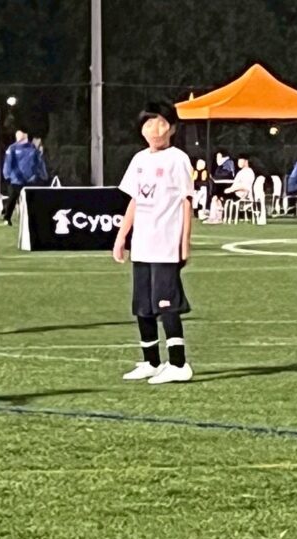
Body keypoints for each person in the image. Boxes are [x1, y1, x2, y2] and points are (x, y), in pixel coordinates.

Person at [112, 101, 194, 385]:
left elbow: (186, 202)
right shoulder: (139, 160)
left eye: (161, 123)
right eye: (148, 124)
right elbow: (135, 200)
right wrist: (122, 236)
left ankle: (179, 364)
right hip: (142, 245)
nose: (154, 130)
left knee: (166, 304)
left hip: (166, 245)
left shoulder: (178, 159)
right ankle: (151, 362)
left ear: (172, 128)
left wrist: (185, 242)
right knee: (143, 306)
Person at [1, 129, 45, 225]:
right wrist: (7, 174)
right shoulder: (12, 148)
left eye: (21, 135)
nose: (18, 137)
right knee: (13, 198)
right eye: (18, 135)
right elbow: (8, 163)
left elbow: (37, 162)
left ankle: (32, 219)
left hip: (30, 179)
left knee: (32, 199)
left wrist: (41, 174)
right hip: (16, 179)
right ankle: (7, 217)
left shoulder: (32, 147)